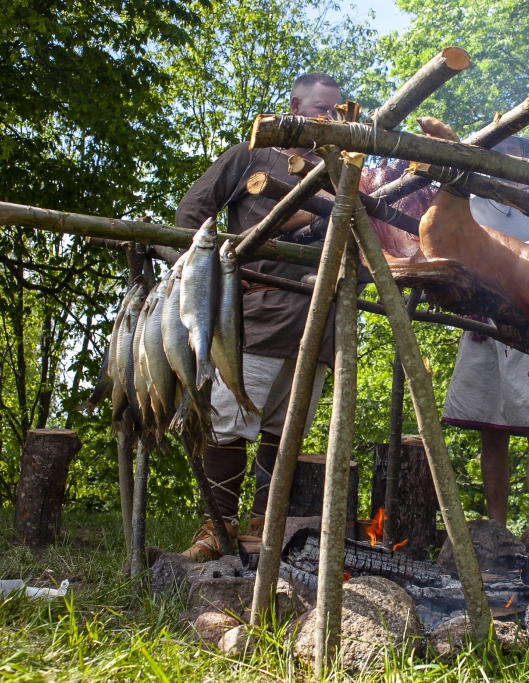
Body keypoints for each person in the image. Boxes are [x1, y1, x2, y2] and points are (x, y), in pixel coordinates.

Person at [175, 73, 342, 560]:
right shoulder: (256, 153)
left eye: (334, 110)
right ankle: (217, 529)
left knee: (284, 429)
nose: (327, 118)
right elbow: (193, 210)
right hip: (256, 314)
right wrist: (205, 278)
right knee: (230, 420)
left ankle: (261, 531)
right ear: (294, 104)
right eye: (318, 108)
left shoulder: (344, 168)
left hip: (318, 321)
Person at [441, 134, 529, 525]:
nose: (506, 161)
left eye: (513, 153)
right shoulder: (473, 201)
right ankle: (497, 530)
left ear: (525, 158)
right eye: (497, 155)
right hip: (483, 322)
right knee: (491, 427)